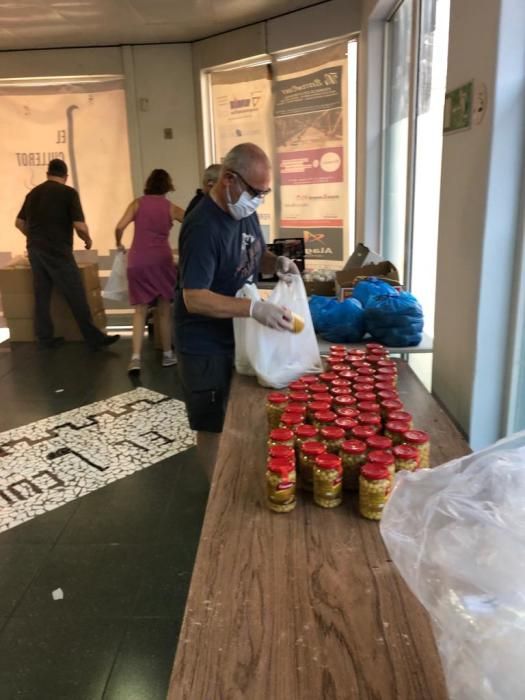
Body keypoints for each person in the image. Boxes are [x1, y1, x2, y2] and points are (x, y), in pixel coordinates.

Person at [174, 143, 300, 479]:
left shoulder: (244, 211)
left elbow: (254, 254)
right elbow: (194, 297)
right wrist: (254, 308)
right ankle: (215, 497)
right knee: (212, 423)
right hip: (203, 342)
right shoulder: (203, 226)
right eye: (255, 191)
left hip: (236, 331)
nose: (258, 200)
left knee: (241, 406)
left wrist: (278, 263)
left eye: (264, 193)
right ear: (229, 180)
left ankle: (236, 477)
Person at [15, 158, 120, 350]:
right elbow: (79, 225)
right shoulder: (68, 193)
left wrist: (35, 237)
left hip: (35, 250)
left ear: (47, 174)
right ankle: (93, 338)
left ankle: (44, 338)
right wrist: (87, 239)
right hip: (57, 250)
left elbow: (19, 223)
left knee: (42, 294)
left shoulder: (33, 193)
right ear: (65, 176)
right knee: (75, 292)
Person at [115, 168, 185, 374]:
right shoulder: (170, 207)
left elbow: (119, 226)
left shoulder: (137, 203)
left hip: (138, 260)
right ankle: (167, 354)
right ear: (167, 187)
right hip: (161, 260)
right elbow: (192, 220)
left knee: (139, 310)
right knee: (164, 309)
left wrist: (118, 243)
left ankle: (135, 358)